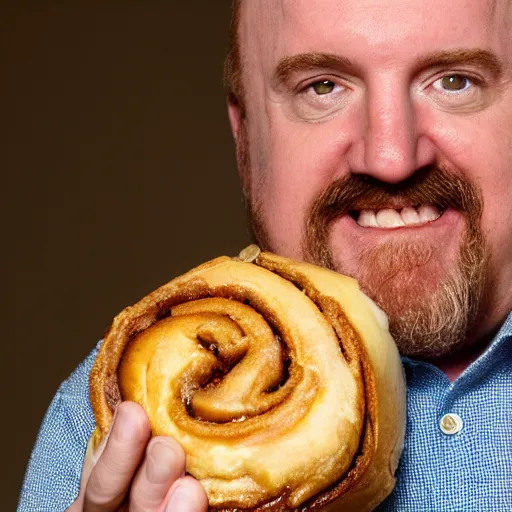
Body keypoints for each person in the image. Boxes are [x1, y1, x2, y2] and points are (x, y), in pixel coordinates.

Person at [19, 0, 512, 510]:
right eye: (322, 87)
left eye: (456, 81)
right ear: (244, 136)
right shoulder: (105, 424)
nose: (390, 157)